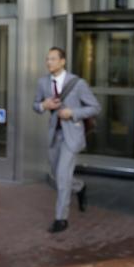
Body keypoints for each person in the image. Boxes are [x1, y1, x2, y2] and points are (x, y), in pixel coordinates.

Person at [33, 47, 101, 233]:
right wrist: (43, 105)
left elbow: (95, 107)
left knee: (63, 176)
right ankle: (79, 187)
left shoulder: (77, 83)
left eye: (53, 59)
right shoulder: (42, 83)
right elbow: (35, 105)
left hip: (72, 135)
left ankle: (61, 219)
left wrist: (73, 113)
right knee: (57, 175)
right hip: (54, 135)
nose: (49, 62)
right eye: (47, 59)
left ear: (62, 61)